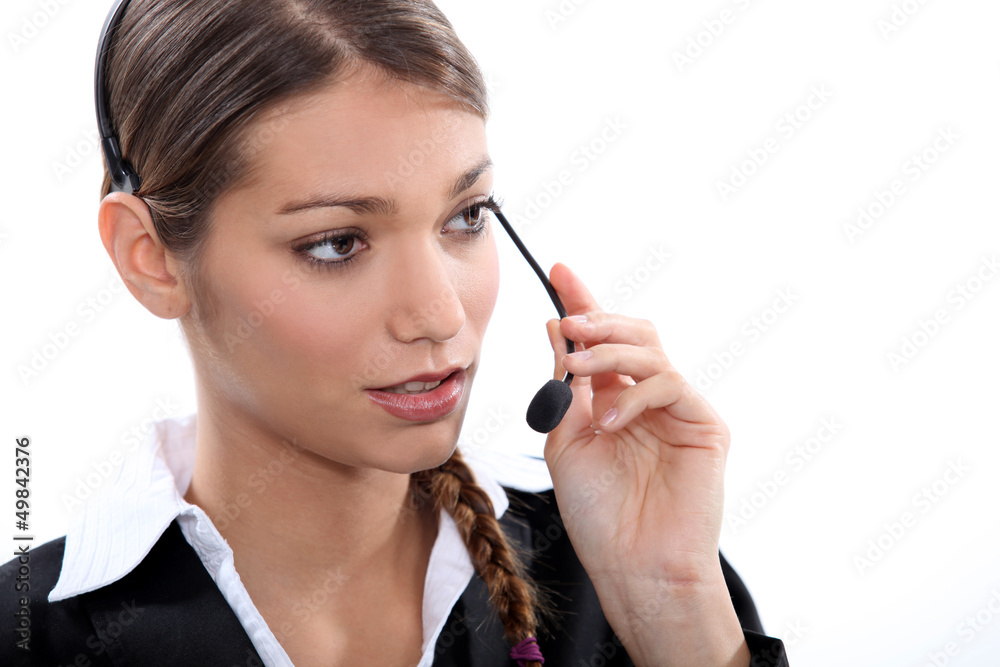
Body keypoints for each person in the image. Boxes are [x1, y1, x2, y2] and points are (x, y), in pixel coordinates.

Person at [1, 1, 789, 665]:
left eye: (466, 217)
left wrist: (674, 604)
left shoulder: (614, 565)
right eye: (336, 243)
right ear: (150, 259)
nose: (439, 314)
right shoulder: (31, 637)